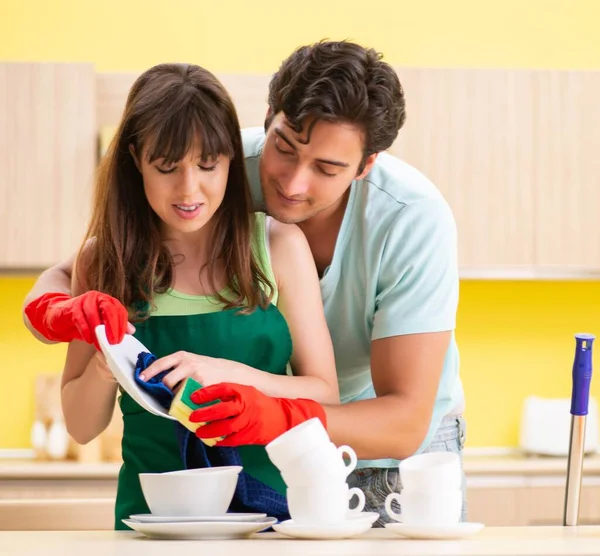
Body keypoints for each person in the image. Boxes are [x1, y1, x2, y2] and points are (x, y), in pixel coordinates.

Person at [23, 41, 466, 525]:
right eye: (285, 147)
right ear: (269, 116)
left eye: (326, 168)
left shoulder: (409, 220)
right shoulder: (219, 162)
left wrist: (266, 407)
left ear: (365, 165)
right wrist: (55, 310)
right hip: (263, 458)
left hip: (390, 451)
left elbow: (401, 421)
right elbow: (86, 266)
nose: (293, 183)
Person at [24, 62, 340, 529]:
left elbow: (325, 394)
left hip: (267, 522)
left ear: (232, 158)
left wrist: (227, 373)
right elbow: (81, 427)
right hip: (150, 523)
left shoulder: (276, 246)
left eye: (208, 165)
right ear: (136, 160)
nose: (189, 189)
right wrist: (103, 360)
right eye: (167, 167)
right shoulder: (102, 262)